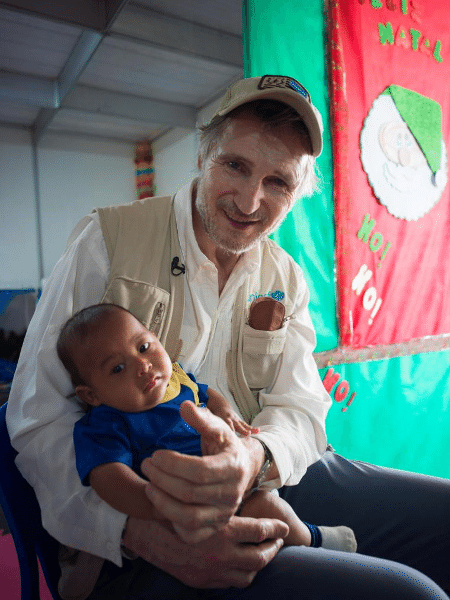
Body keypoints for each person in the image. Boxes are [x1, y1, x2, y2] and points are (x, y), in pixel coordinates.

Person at [6, 75, 450, 600]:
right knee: (406, 594)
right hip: (142, 506)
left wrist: (253, 457)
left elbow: (301, 409)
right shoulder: (106, 238)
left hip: (262, 481)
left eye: (278, 183)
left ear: (296, 192)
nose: (250, 200)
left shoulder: (286, 276)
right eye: (235, 166)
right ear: (203, 154)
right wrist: (138, 531)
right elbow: (37, 420)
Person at [57, 302, 356, 552]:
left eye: (144, 346)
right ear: (91, 395)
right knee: (265, 508)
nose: (143, 365)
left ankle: (304, 541)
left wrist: (225, 411)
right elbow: (109, 479)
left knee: (270, 499)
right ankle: (313, 541)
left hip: (231, 476)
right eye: (118, 368)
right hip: (187, 506)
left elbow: (205, 391)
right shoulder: (106, 425)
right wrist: (159, 507)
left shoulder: (173, 379)